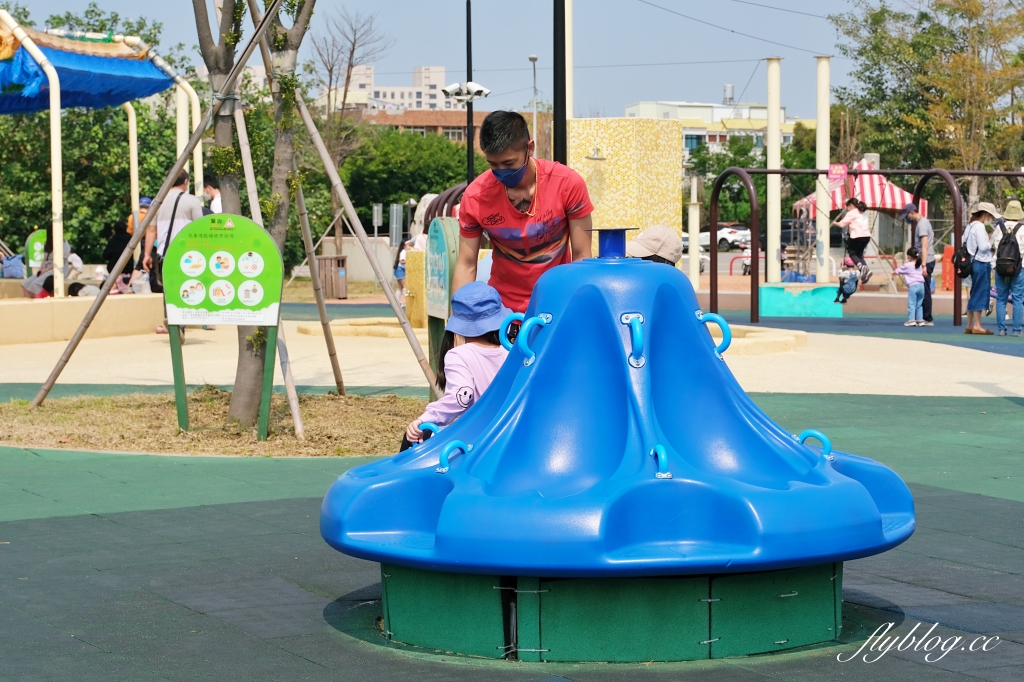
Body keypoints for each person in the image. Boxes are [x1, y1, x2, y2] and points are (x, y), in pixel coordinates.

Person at [454, 111, 594, 312]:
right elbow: (466, 264)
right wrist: (459, 321)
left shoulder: (567, 184)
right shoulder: (476, 196)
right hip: (502, 311)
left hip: (557, 305)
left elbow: (582, 257)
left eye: (509, 163)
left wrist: (575, 311)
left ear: (530, 148)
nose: (502, 171)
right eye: (493, 164)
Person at [404, 282, 511, 449]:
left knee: (416, 434)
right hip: (509, 432)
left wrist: (425, 418)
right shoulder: (510, 352)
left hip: (477, 437)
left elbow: (460, 399)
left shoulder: (459, 355)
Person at [142, 169, 204, 294]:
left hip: (164, 255)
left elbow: (151, 230)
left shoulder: (157, 201)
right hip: (187, 255)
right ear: (186, 182)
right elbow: (200, 229)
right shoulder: (192, 201)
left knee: (169, 292)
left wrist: (147, 255)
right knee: (188, 291)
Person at [964, 202, 998, 335]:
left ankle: (969, 325)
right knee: (980, 293)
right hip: (981, 262)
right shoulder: (980, 227)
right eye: (990, 215)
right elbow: (983, 247)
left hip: (971, 262)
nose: (990, 218)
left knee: (973, 293)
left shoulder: (970, 226)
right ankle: (977, 325)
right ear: (986, 214)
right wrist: (990, 241)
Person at [992, 199, 1024, 337]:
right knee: (1018, 299)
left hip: (1000, 267)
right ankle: (1016, 330)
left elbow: (994, 245)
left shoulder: (999, 228)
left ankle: (1001, 329)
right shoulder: (1022, 228)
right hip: (1018, 267)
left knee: (1001, 298)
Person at [899, 203, 936, 325]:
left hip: (925, 261)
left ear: (912, 213)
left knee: (924, 289)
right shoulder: (924, 222)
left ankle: (927, 317)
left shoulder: (922, 225)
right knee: (923, 288)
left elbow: (925, 245)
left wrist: (923, 265)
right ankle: (922, 317)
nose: (907, 218)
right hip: (925, 260)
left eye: (907, 216)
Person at [833, 198, 872, 283]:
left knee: (852, 253)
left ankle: (861, 267)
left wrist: (834, 222)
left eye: (847, 207)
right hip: (866, 236)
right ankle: (866, 271)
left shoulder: (851, 213)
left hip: (857, 236)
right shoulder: (862, 212)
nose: (847, 209)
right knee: (859, 255)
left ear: (851, 205)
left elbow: (841, 224)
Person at [895, 247, 925, 327]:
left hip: (913, 286)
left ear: (909, 256)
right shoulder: (919, 264)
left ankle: (911, 320)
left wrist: (894, 272)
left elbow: (899, 270)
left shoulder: (908, 265)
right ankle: (920, 320)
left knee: (912, 303)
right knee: (919, 304)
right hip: (921, 285)